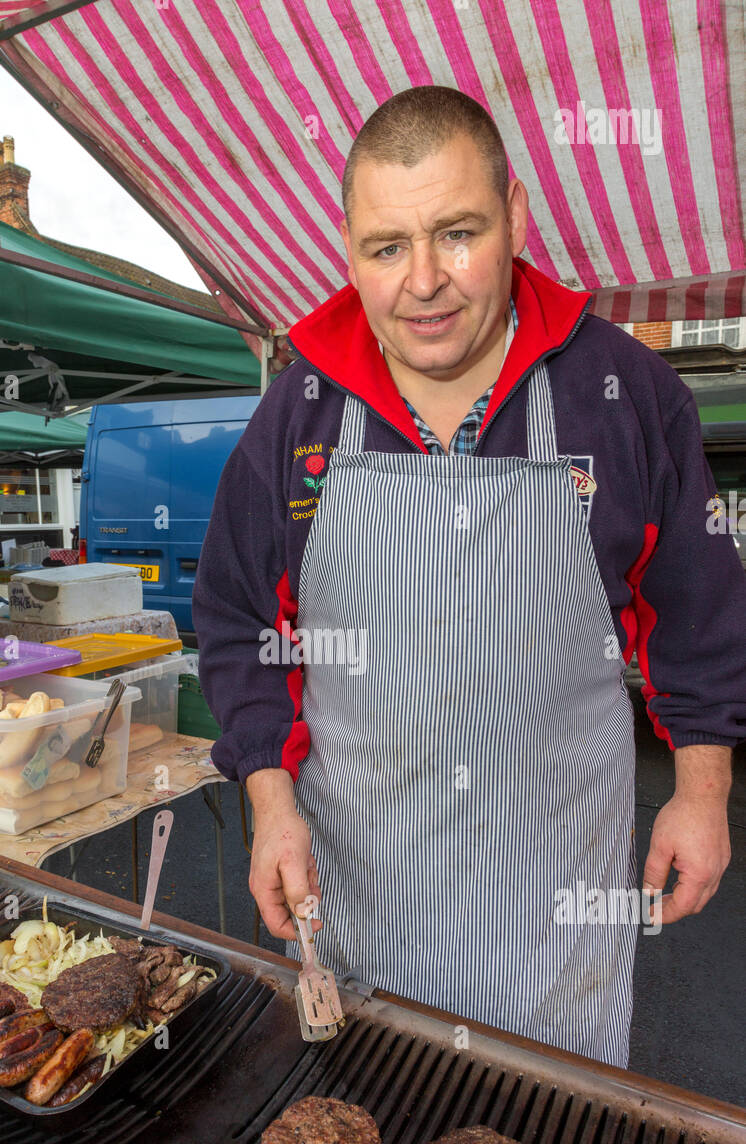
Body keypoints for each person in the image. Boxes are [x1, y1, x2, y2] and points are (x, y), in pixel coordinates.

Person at [193, 87, 746, 1068]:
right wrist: (269, 802)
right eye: (385, 246)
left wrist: (700, 790)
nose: (422, 282)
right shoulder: (299, 412)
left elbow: (695, 608)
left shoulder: (619, 393)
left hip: (551, 894)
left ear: (515, 217)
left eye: (456, 233)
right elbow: (239, 619)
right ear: (348, 248)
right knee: (357, 1136)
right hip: (359, 877)